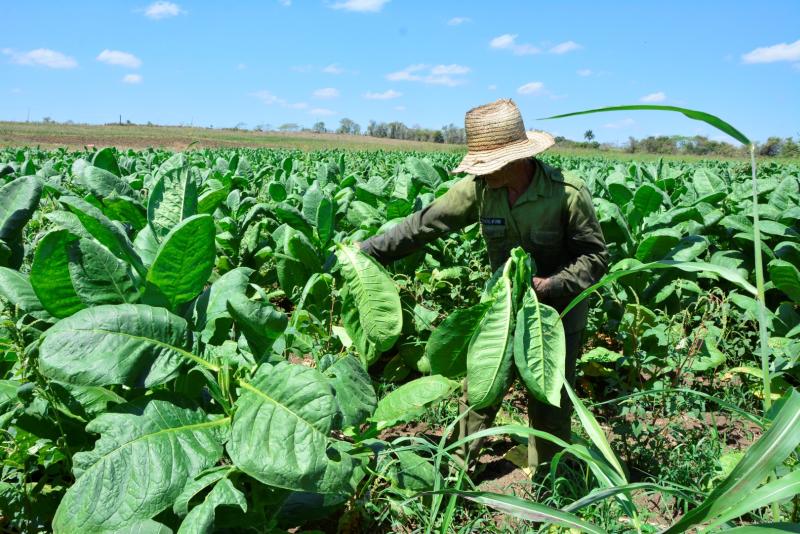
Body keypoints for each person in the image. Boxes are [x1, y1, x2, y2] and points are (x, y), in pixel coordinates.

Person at [360, 99, 609, 470]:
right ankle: (453, 471)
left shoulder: (566, 193)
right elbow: (424, 224)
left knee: (549, 401)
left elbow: (595, 258)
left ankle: (552, 484)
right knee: (479, 389)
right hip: (501, 310)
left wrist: (549, 285)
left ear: (517, 158)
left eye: (490, 164)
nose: (483, 171)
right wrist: (367, 252)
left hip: (557, 315)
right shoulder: (478, 189)